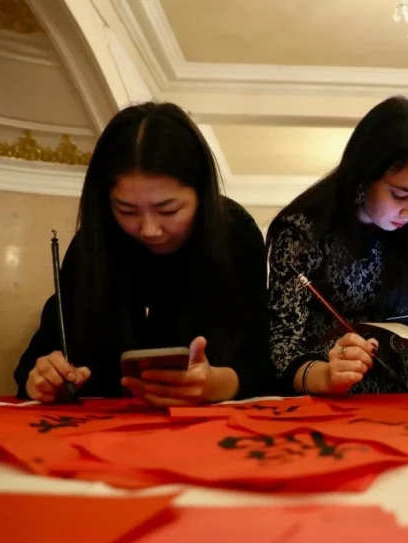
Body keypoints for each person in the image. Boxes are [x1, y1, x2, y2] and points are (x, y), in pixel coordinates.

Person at [15, 102, 270, 405]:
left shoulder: (234, 234)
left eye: (169, 210)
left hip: (208, 427)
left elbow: (265, 358)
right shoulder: (93, 245)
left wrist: (223, 383)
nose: (149, 230)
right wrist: (45, 378)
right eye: (127, 210)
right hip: (102, 427)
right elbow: (38, 359)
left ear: (202, 194)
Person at [267, 96, 408, 396]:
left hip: (398, 398)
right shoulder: (303, 233)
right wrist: (327, 376)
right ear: (364, 175)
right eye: (399, 195)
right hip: (321, 396)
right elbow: (282, 349)